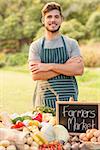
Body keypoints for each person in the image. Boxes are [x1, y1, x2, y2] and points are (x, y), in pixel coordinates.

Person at [28, 2, 84, 109]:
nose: (53, 20)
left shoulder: (71, 43)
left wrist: (49, 66)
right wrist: (66, 67)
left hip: (68, 100)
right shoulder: (36, 46)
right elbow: (36, 75)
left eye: (56, 16)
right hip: (44, 101)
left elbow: (78, 70)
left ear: (61, 19)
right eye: (49, 17)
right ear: (43, 20)